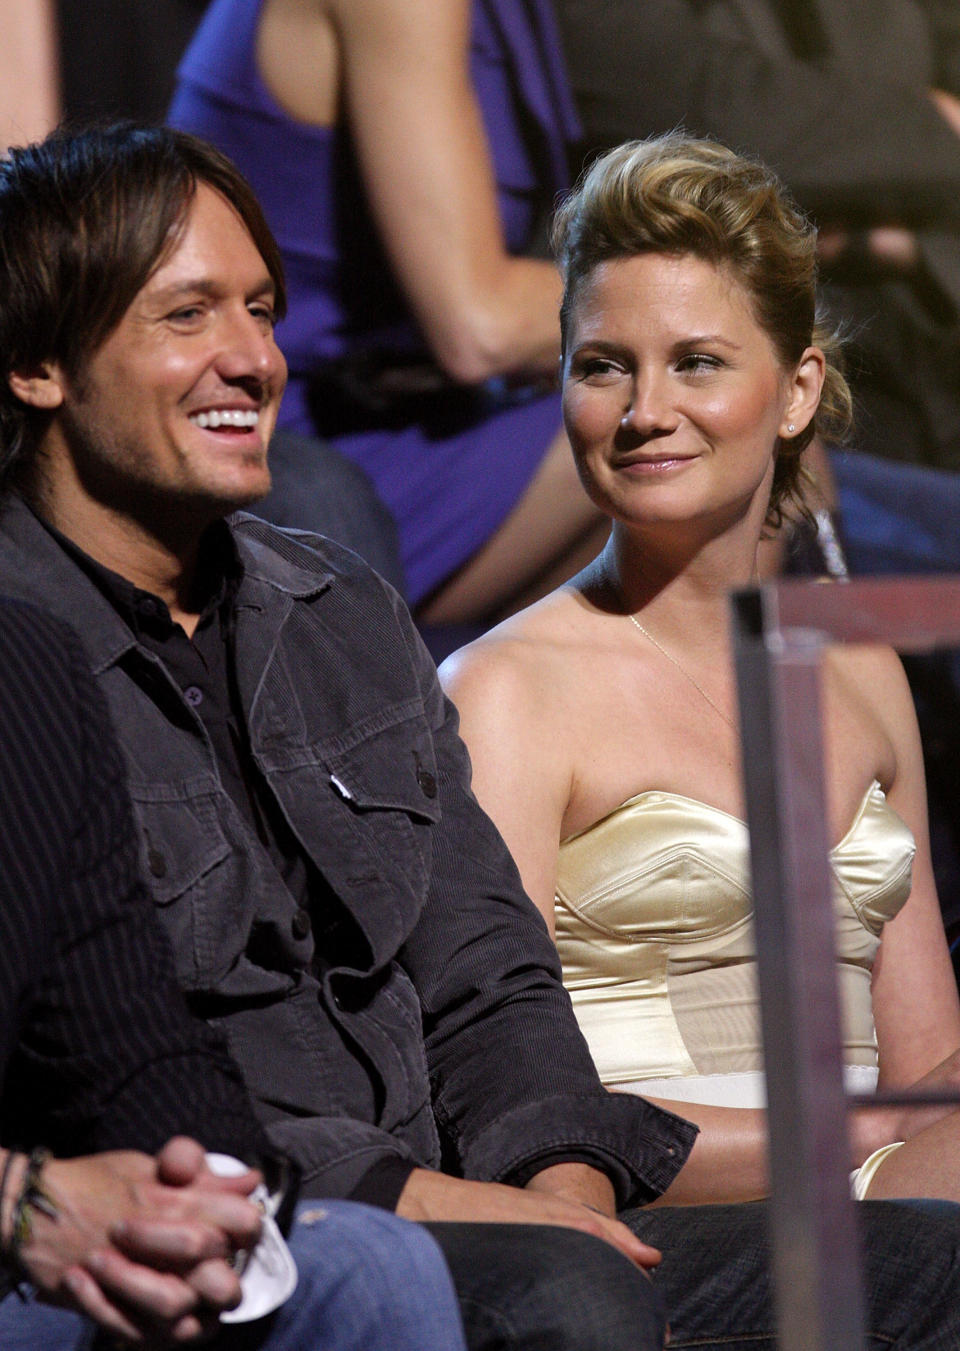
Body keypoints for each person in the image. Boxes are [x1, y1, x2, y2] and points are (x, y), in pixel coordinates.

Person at [5, 123, 960, 1351]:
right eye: (190, 316)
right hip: (266, 1213)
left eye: (262, 309)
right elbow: (148, 1076)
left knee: (929, 1258)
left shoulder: (335, 610)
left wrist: (560, 1191)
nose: (254, 359)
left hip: (479, 1201)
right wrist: (484, 1216)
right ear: (37, 363)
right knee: (568, 1293)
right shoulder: (27, 654)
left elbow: (486, 976)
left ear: (800, 389)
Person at [441, 132, 960, 1212]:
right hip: (671, 1224)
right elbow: (514, 1101)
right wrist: (865, 1149)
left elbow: (931, 1066)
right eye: (602, 366)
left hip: (905, 1196)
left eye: (698, 362)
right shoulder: (504, 688)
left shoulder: (859, 661)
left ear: (797, 391)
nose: (643, 411)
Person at [0, 595, 468, 1351]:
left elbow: (131, 1040)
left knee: (367, 1267)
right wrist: (25, 1199)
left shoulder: (29, 662)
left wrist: (210, 1189)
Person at [168, 0, 608, 624]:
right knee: (718, 413)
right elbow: (481, 326)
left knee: (731, 414)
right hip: (276, 443)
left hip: (396, 407)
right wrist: (726, 295)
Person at [551, 0, 960, 472]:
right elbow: (699, 109)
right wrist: (942, 127)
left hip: (932, 333)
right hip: (781, 405)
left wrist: (911, 250)